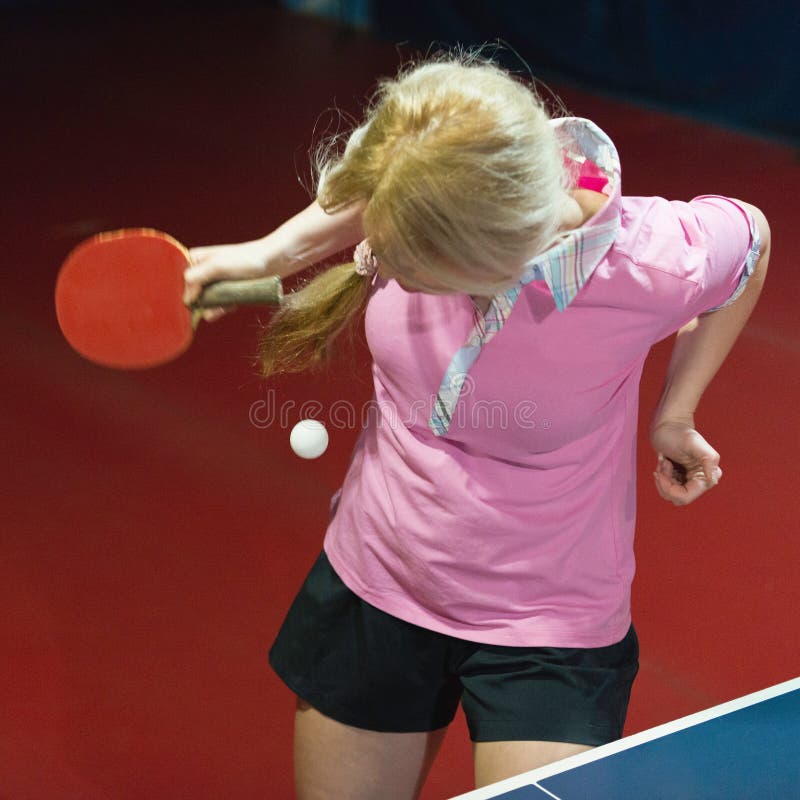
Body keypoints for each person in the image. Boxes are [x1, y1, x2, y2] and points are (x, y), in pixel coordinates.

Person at [183, 55, 770, 800]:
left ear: (490, 258)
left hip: (548, 624)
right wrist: (268, 253)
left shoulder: (646, 264)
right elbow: (381, 183)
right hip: (378, 579)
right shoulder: (446, 151)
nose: (374, 259)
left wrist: (675, 410)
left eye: (407, 260)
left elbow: (750, 243)